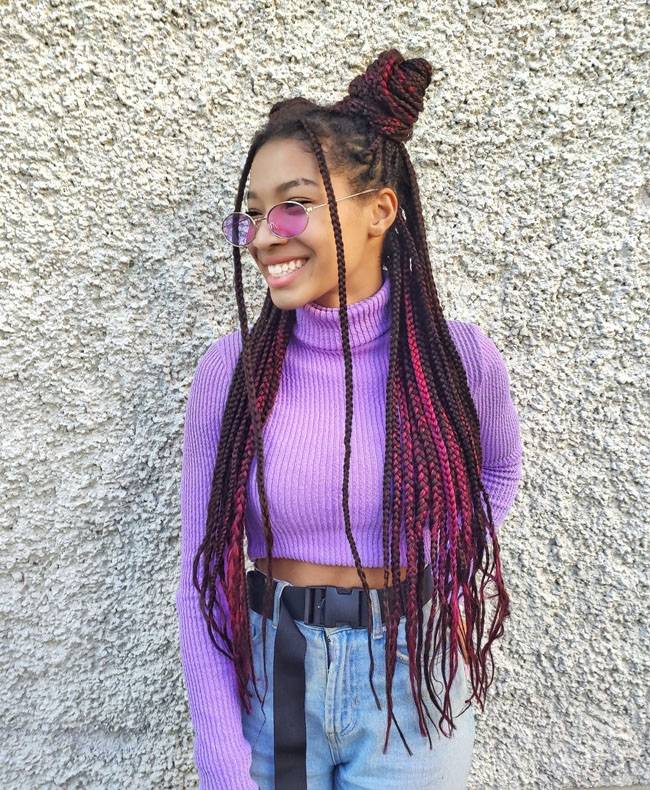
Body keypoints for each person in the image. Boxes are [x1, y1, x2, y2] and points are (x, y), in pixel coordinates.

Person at [176, 48, 524, 790]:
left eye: (293, 205)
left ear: (380, 212)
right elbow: (201, 570)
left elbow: (498, 469)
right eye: (253, 215)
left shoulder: (457, 359)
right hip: (275, 672)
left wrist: (438, 568)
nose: (265, 235)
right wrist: (219, 750)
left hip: (411, 679)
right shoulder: (231, 372)